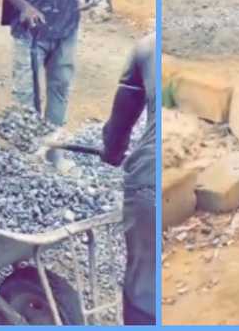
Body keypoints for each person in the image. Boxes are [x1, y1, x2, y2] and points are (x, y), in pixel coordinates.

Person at [101, 34, 156, 325]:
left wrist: (112, 150)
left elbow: (116, 135)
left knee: (146, 286)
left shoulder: (146, 47)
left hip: (149, 181)